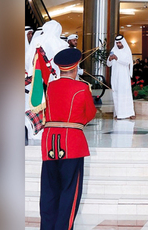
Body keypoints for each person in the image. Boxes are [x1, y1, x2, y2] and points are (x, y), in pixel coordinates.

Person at [40, 48, 97, 230]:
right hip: (71, 143)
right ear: (76, 67)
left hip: (49, 142)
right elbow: (89, 114)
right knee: (69, 192)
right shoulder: (81, 88)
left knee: (49, 191)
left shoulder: (49, 87)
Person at [106, 35, 135, 120]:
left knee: (125, 94)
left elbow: (127, 62)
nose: (118, 44)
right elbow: (108, 64)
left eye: (119, 43)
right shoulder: (113, 50)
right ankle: (119, 114)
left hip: (124, 77)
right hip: (115, 77)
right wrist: (110, 59)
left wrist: (117, 58)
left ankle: (129, 113)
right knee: (117, 94)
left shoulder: (127, 51)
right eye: (117, 43)